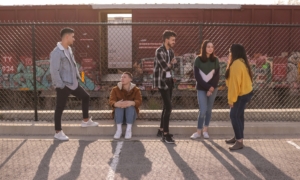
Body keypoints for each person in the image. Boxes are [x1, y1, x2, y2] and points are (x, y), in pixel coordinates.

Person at [50, 27, 98, 141]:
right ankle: (58, 132)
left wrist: (78, 76)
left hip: (73, 83)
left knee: (86, 97)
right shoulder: (56, 52)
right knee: (60, 108)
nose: (74, 39)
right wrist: (60, 85)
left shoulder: (69, 49)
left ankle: (85, 121)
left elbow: (72, 64)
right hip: (64, 85)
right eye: (72, 36)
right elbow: (53, 71)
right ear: (67, 37)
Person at [225, 44, 254, 150]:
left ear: (234, 52)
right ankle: (238, 137)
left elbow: (234, 84)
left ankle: (239, 141)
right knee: (239, 115)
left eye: (230, 52)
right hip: (246, 93)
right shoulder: (242, 62)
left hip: (240, 95)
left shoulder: (237, 64)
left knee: (234, 115)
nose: (229, 54)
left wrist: (231, 100)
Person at [190, 40, 220, 139]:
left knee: (209, 110)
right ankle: (198, 132)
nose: (210, 48)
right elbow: (197, 77)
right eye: (208, 47)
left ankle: (205, 131)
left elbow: (216, 76)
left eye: (212, 46)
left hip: (213, 89)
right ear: (204, 48)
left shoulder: (215, 60)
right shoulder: (198, 59)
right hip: (202, 89)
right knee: (202, 110)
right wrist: (208, 88)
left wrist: (211, 88)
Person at [153, 30, 177, 144]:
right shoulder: (159, 51)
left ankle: (161, 129)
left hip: (169, 81)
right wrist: (171, 64)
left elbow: (174, 66)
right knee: (169, 107)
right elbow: (165, 67)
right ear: (166, 39)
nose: (174, 42)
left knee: (165, 107)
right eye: (172, 40)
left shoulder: (171, 51)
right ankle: (165, 135)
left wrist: (171, 64)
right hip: (162, 82)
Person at [109, 72, 142, 139]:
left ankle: (128, 130)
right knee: (119, 107)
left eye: (124, 77)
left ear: (130, 79)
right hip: (118, 116)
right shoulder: (115, 89)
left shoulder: (136, 90)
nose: (122, 78)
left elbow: (139, 101)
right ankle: (119, 130)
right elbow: (111, 101)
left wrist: (131, 103)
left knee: (130, 107)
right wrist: (116, 104)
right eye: (121, 77)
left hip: (131, 116)